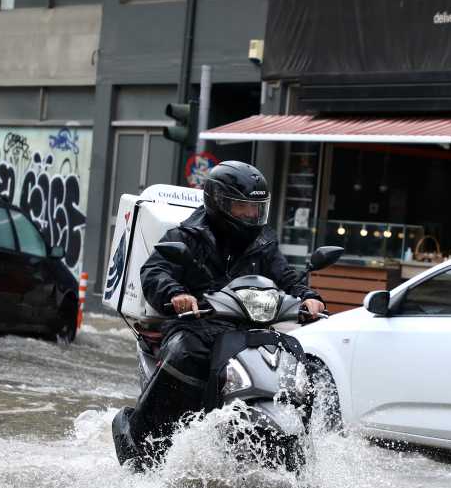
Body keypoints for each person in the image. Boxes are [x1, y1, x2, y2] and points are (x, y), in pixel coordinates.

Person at [115, 161, 325, 466]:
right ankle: (143, 442)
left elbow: (287, 276)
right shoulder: (188, 234)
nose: (251, 216)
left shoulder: (263, 240)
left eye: (256, 208)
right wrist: (176, 294)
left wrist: (308, 297)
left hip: (247, 327)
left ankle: (306, 453)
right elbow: (155, 270)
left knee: (299, 359)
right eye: (242, 208)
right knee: (186, 352)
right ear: (219, 202)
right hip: (198, 323)